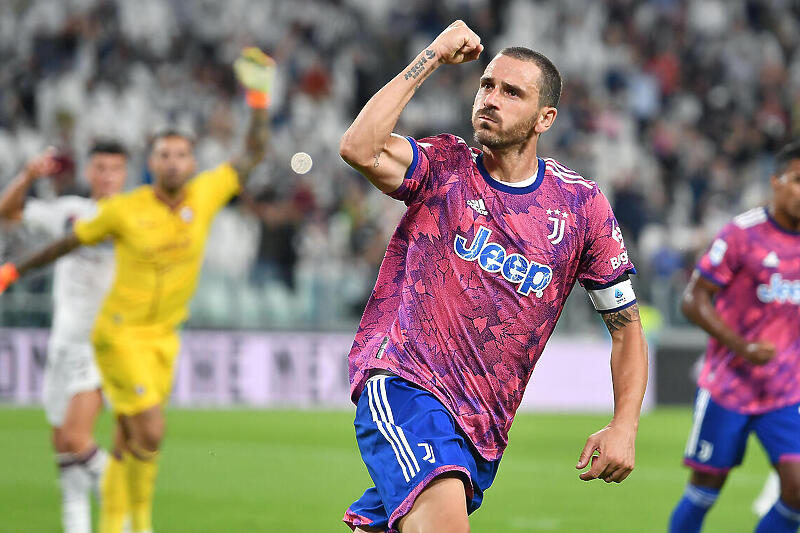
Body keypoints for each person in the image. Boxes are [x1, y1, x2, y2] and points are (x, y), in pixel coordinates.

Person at [338, 20, 648, 533]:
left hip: (482, 422)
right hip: (406, 385)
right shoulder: (443, 166)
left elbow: (626, 327)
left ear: (545, 117)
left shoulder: (581, 206)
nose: (491, 99)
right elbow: (359, 147)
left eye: (511, 92)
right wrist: (433, 55)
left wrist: (624, 424)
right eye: (486, 85)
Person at [0, 47, 275, 533]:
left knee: (129, 439)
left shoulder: (207, 194)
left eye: (181, 154)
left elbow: (253, 154)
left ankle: (112, 525)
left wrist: (257, 96)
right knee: (150, 427)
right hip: (119, 334)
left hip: (164, 337)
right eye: (164, 154)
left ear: (192, 161)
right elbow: (66, 243)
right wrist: (12, 272)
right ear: (152, 163)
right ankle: (142, 523)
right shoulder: (123, 210)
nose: (173, 161)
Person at [668, 141, 800, 533]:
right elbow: (693, 301)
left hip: (786, 390)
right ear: (775, 181)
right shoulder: (743, 235)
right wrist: (741, 346)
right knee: (706, 486)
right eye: (797, 180)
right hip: (729, 386)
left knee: (797, 490)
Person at [0, 141, 127, 533]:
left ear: (124, 174)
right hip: (63, 340)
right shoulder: (69, 212)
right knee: (62, 450)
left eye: (114, 168)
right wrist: (28, 176)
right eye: (100, 167)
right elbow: (8, 213)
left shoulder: (133, 217)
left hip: (102, 342)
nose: (106, 175)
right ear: (89, 172)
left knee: (76, 438)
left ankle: (128, 517)